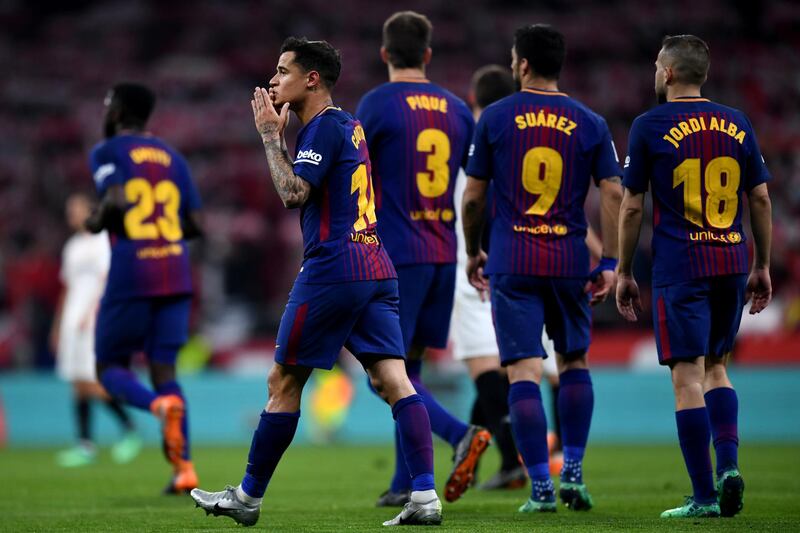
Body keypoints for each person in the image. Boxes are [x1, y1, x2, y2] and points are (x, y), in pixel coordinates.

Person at [190, 37, 442, 527]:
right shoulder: (347, 126)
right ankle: (425, 496)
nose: (273, 80)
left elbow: (291, 193)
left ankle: (247, 497)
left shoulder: (322, 128)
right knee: (393, 380)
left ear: (311, 79)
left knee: (282, 380)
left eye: (282, 71)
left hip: (334, 267)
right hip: (376, 264)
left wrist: (268, 136)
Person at [462, 24, 623, 513]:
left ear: (523, 64)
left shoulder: (495, 117)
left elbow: (473, 196)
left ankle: (540, 487)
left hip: (513, 260)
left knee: (524, 372)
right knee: (574, 364)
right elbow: (614, 192)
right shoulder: (590, 121)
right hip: (570, 260)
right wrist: (612, 261)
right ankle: (572, 470)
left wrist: (474, 251)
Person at [616, 34, 772, 519]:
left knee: (687, 379)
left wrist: (623, 270)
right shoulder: (737, 122)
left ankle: (704, 496)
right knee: (718, 370)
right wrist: (761, 264)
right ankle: (729, 468)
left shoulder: (648, 125)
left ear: (666, 73)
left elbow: (633, 204)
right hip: (730, 261)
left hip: (680, 266)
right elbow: (761, 199)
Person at [355, 11, 490, 506]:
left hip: (394, 254)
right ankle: (405, 482)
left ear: (385, 53)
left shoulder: (376, 104)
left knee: (381, 374)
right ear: (428, 55)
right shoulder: (457, 109)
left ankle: (459, 435)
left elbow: (353, 171)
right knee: (408, 369)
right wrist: (476, 248)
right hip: (442, 250)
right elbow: (477, 186)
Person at [86, 82, 203, 493]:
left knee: (109, 367)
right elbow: (197, 226)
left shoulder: (108, 151)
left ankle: (155, 406)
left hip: (133, 271)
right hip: (176, 270)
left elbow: (116, 201)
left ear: (116, 111)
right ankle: (183, 470)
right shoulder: (174, 157)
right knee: (164, 370)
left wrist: (95, 220)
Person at [51, 192, 141, 468]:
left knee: (94, 382)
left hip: (93, 321)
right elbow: (66, 289)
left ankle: (129, 428)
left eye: (76, 209)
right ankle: (85, 445)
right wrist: (57, 325)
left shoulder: (104, 241)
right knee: (77, 384)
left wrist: (97, 314)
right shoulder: (72, 246)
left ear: (91, 211)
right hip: (72, 322)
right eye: (69, 210)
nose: (72, 215)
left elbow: (107, 281)